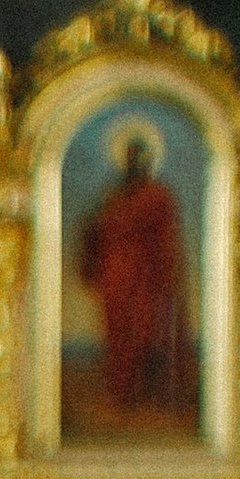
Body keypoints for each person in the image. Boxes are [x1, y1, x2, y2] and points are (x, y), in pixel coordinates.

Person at [76, 124, 190, 423]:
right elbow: (96, 230)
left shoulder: (158, 195)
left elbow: (166, 237)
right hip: (116, 279)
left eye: (136, 156)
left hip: (146, 280)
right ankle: (121, 395)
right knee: (118, 338)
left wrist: (166, 274)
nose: (132, 162)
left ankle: (152, 395)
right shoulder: (113, 195)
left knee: (149, 336)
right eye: (128, 156)